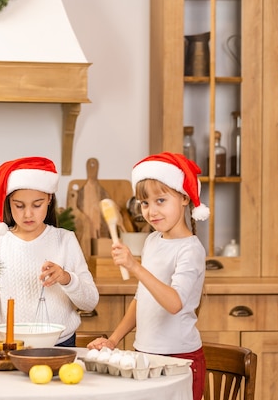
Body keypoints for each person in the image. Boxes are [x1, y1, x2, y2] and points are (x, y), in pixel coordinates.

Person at [87, 152, 208, 400]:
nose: (151, 211)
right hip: (144, 355)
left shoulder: (191, 249)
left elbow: (174, 303)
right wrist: (113, 339)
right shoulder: (153, 241)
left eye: (160, 200)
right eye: (144, 203)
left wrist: (135, 267)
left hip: (179, 360)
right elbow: (142, 299)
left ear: (184, 197)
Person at [0, 156, 99, 349]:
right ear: (8, 202)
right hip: (8, 345)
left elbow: (90, 301)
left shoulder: (65, 240)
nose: (28, 214)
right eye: (19, 205)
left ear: (49, 199)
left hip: (60, 345)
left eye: (37, 205)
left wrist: (66, 278)